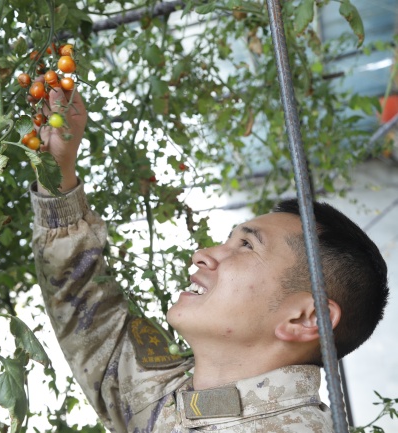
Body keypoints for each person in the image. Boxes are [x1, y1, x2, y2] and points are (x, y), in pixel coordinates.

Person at [29, 82, 389, 432]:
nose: (202, 255)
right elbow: (91, 320)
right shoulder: (172, 404)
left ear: (307, 318)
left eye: (247, 246)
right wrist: (58, 170)